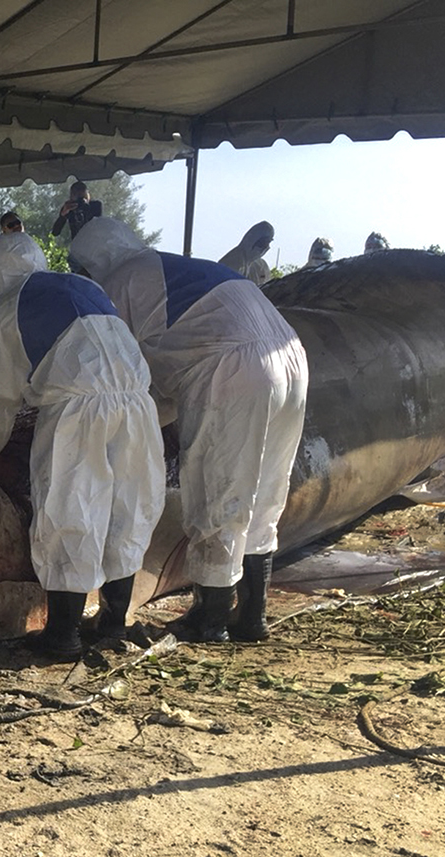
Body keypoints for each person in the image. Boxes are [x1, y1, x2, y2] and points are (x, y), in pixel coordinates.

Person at [70, 216, 309, 644]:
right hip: (289, 357)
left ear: (94, 262)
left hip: (233, 370)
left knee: (219, 493)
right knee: (264, 492)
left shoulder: (120, 281)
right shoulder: (174, 266)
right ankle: (251, 615)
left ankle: (210, 617)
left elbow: (120, 372)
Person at [0, 232, 165, 662]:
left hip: (78, 409)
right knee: (125, 509)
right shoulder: (86, 286)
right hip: (137, 402)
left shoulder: (5, 307)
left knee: (71, 513)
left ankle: (63, 636)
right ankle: (113, 622)